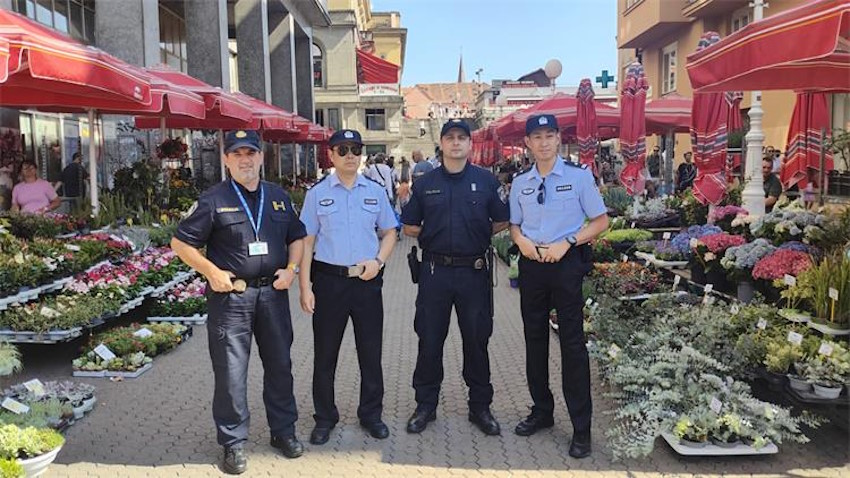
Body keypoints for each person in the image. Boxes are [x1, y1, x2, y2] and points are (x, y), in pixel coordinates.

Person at [171, 130, 306, 475]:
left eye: (251, 153)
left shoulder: (278, 197)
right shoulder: (212, 200)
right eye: (237, 154)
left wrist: (291, 270)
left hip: (273, 296)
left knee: (280, 365)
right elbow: (180, 244)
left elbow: (298, 237)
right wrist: (211, 272)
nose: (245, 160)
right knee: (231, 373)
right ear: (227, 160)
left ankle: (283, 431)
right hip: (232, 298)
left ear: (261, 157)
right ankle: (233, 443)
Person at [508, 114, 609, 459]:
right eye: (537, 137)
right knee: (534, 340)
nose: (544, 142)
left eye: (550, 135)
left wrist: (568, 241)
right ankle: (542, 411)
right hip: (532, 266)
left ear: (558, 139)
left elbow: (601, 221)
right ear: (528, 143)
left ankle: (581, 428)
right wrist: (520, 241)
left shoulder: (579, 178)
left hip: (566, 264)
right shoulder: (521, 183)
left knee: (572, 345)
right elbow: (514, 225)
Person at [401, 119, 509, 436]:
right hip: (434, 273)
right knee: (430, 339)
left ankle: (480, 407)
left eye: (462, 138)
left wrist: (473, 234)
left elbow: (501, 221)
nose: (456, 143)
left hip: (473, 273)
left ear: (470, 144)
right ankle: (425, 405)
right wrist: (436, 235)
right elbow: (409, 226)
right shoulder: (424, 183)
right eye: (450, 138)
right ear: (443, 144)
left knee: (477, 341)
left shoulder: (486, 181)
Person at [298, 129, 398, 445]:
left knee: (371, 353)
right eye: (342, 149)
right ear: (331, 155)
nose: (350, 155)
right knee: (325, 355)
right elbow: (306, 240)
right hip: (328, 283)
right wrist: (304, 287)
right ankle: (325, 417)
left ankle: (371, 414)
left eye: (355, 149)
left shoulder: (376, 191)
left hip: (367, 283)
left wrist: (379, 261)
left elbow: (391, 231)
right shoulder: (317, 194)